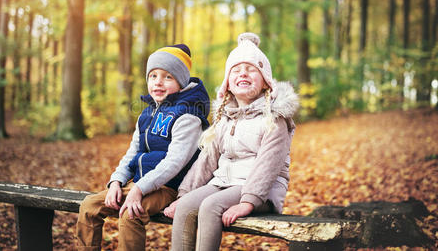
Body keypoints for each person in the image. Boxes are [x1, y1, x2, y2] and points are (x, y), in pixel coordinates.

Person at [164, 33, 299, 251]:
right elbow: (206, 160)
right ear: (227, 84)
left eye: (251, 69)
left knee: (209, 207)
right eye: (236, 70)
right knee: (187, 207)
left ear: (266, 82)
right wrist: (186, 194)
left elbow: (268, 165)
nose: (243, 73)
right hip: (223, 183)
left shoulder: (274, 119)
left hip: (260, 191)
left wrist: (249, 201)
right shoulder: (225, 117)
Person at [76, 44, 210, 251]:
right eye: (153, 76)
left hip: (168, 188)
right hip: (139, 184)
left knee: (131, 214)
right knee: (89, 206)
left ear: (181, 82)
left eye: (168, 77)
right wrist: (116, 181)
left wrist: (138, 189)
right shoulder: (146, 114)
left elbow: (174, 162)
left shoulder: (188, 116)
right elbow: (133, 152)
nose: (158, 82)